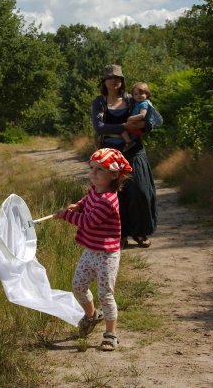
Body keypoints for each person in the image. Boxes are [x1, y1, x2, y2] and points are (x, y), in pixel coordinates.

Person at [53, 147, 132, 351]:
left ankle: (110, 334)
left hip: (107, 255)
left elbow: (89, 222)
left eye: (99, 170)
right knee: (78, 285)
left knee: (105, 294)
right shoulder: (95, 190)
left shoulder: (108, 200)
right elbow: (87, 201)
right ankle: (91, 315)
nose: (93, 173)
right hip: (91, 250)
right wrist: (78, 205)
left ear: (114, 175)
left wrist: (66, 215)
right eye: (92, 168)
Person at [91, 64, 157, 249]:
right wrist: (125, 126)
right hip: (109, 155)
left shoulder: (132, 99)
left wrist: (142, 127)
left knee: (141, 192)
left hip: (134, 151)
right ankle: (119, 236)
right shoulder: (100, 102)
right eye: (111, 78)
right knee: (115, 195)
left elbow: (148, 122)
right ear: (104, 81)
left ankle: (140, 233)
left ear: (122, 81)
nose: (115, 81)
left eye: (118, 78)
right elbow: (99, 127)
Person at [121, 82, 155, 152]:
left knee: (121, 129)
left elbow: (142, 115)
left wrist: (130, 118)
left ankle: (129, 142)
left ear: (147, 94)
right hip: (135, 125)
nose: (138, 96)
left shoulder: (144, 104)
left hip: (137, 125)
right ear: (133, 96)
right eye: (136, 94)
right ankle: (130, 141)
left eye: (141, 93)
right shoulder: (138, 103)